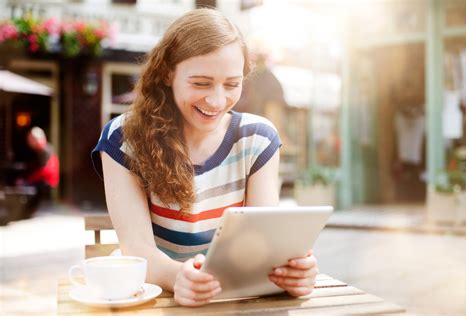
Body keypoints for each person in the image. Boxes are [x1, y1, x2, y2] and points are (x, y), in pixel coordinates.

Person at [91, 8, 318, 307]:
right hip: (155, 301)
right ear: (167, 73)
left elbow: (261, 244)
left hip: (231, 301)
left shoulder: (257, 139)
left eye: (231, 84)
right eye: (200, 83)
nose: (216, 100)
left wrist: (292, 273)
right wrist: (180, 277)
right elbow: (138, 250)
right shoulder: (123, 138)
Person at [19, 126, 59, 217]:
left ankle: (26, 212)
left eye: (30, 139)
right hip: (45, 179)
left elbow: (44, 170)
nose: (28, 142)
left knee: (25, 187)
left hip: (47, 181)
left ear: (35, 139)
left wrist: (27, 180)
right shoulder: (45, 148)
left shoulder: (43, 150)